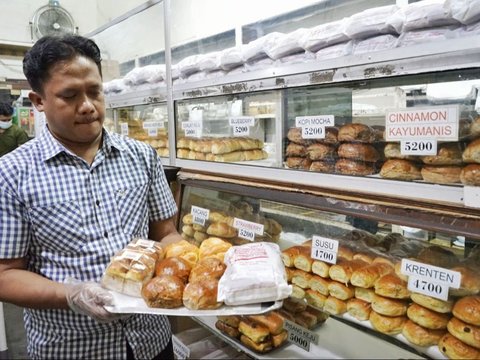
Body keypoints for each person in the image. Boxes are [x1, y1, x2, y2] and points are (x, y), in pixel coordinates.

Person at [0, 35, 183, 359]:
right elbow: (6, 274)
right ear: (38, 100)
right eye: (69, 96)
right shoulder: (12, 173)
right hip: (73, 347)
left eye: (95, 92)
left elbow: (165, 234)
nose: (87, 106)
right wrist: (71, 294)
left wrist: (190, 266)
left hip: (150, 341)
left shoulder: (141, 156)